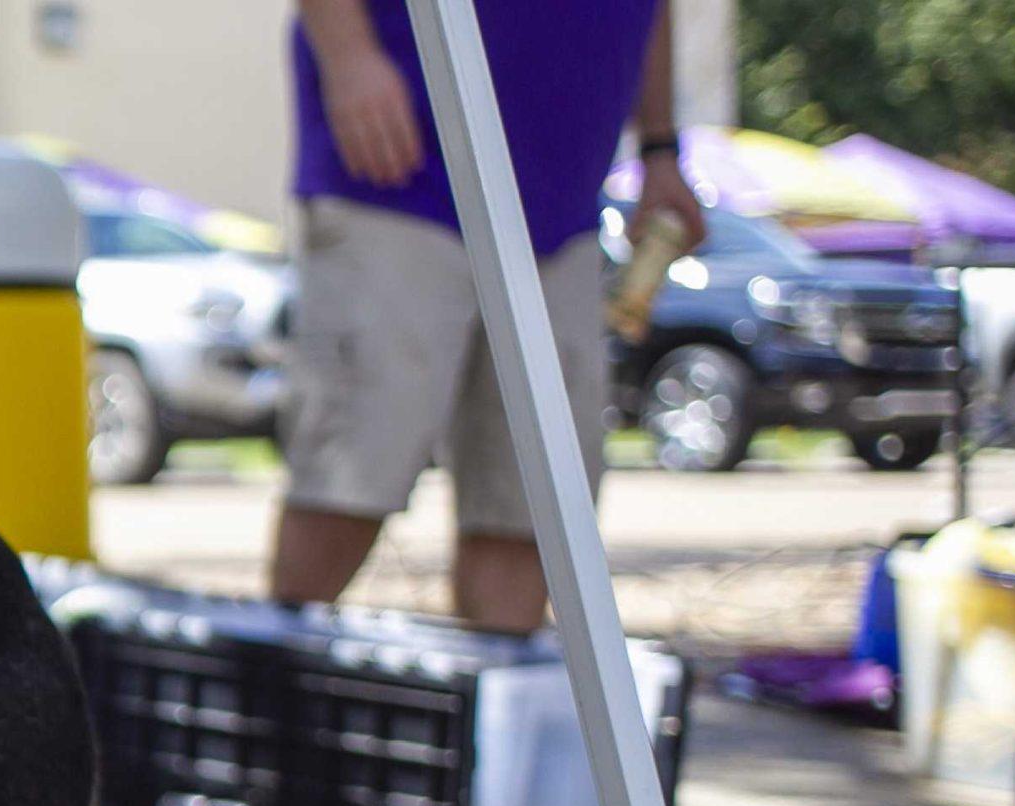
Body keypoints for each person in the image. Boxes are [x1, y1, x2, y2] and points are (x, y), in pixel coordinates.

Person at [271, 0, 706, 633]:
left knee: (534, 513)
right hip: (397, 174)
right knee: (349, 481)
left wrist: (661, 148)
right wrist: (350, 55)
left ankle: (487, 727)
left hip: (561, 204)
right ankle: (276, 706)